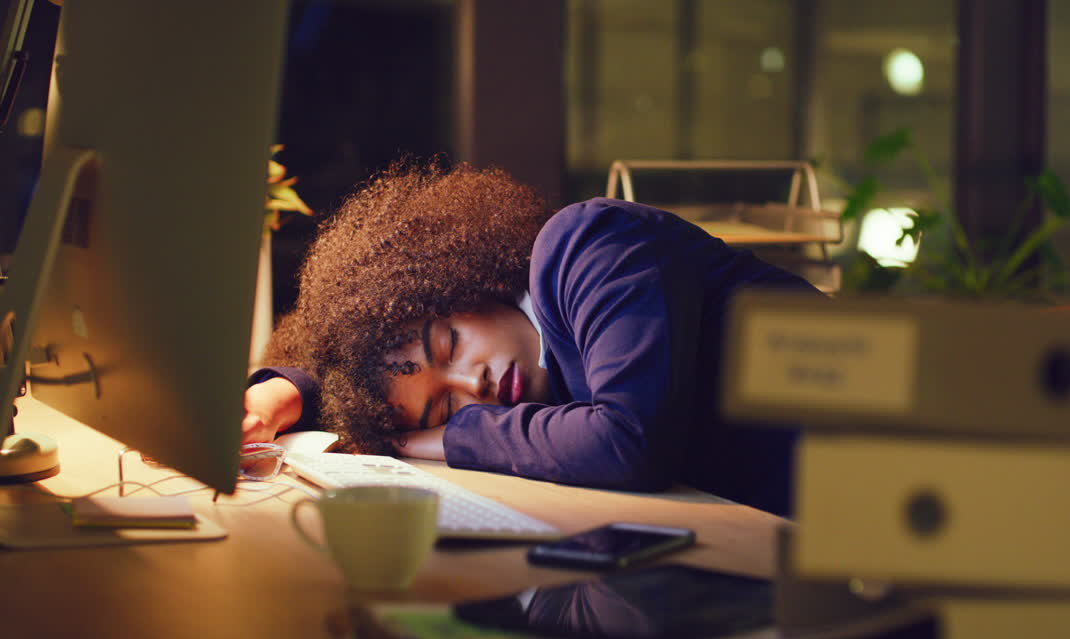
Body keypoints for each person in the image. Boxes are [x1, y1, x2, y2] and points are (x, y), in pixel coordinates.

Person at [243, 161, 820, 516]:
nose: (477, 383)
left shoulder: (588, 246)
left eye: (450, 344)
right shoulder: (517, 371)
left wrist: (442, 435)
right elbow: (371, 380)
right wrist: (277, 396)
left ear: (461, 282)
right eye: (445, 405)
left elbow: (630, 443)